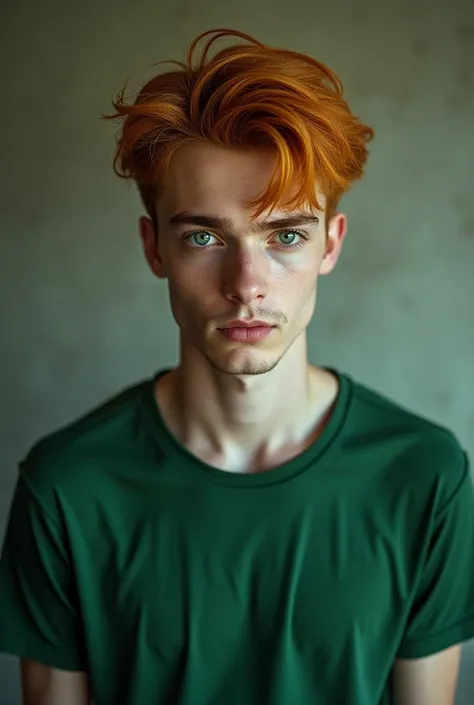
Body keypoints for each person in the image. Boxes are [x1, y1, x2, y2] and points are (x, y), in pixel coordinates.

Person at [0, 27, 473, 705]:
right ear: (153, 246)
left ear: (330, 245)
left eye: (285, 235)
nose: (247, 282)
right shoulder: (69, 488)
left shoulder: (423, 476)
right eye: (204, 236)